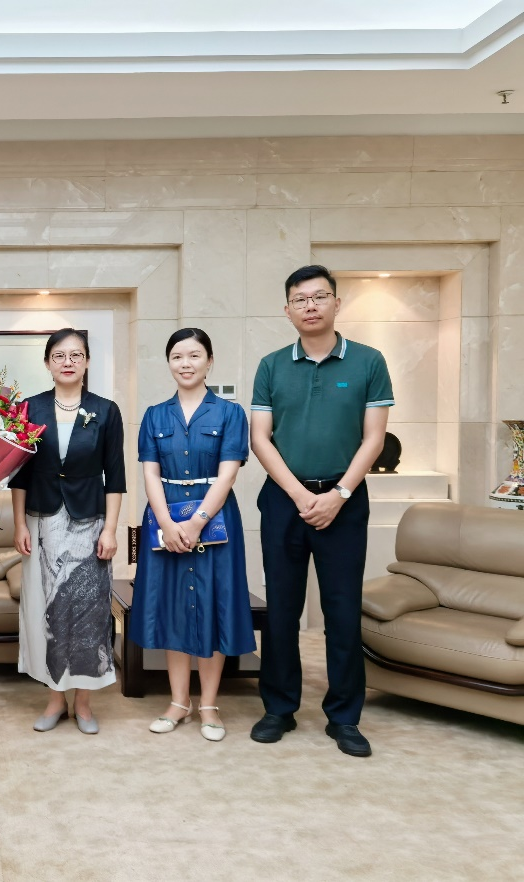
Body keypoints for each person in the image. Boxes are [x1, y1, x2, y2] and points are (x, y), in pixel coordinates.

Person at [250, 265, 394, 757]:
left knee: (342, 611)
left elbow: (374, 438)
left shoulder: (369, 361)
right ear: (287, 309)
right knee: (282, 609)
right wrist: (298, 495)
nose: (310, 306)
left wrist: (339, 494)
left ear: (336, 302)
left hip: (345, 502)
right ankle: (279, 708)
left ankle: (345, 717)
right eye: (300, 299)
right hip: (284, 500)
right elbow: (261, 439)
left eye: (319, 296)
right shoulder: (271, 365)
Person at [130, 328, 255, 742]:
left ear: (209, 361)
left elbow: (228, 473)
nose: (185, 363)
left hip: (215, 520)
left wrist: (198, 520)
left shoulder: (230, 414)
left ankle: (209, 705)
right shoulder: (155, 415)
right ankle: (178, 702)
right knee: (173, 606)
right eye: (177, 356)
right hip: (164, 518)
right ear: (169, 363)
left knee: (212, 604)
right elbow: (150, 473)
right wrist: (166, 523)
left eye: (194, 355)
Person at [10, 328, 125, 734]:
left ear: (88, 361)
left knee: (89, 611)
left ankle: (85, 702)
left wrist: (111, 530)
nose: (68, 362)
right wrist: (19, 523)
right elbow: (19, 474)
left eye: (76, 355)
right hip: (41, 520)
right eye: (59, 355)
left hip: (90, 522)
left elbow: (115, 477)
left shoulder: (105, 410)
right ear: (47, 363)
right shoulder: (29, 408)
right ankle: (55, 698)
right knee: (46, 608)